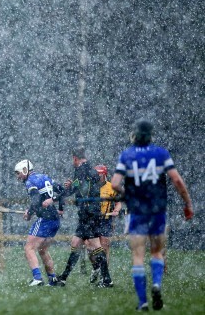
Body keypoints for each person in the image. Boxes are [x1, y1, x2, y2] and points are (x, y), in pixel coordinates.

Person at [111, 119, 194, 311]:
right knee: (156, 252)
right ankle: (156, 284)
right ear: (151, 135)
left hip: (138, 211)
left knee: (138, 255)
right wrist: (187, 203)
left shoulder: (127, 155)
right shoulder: (161, 153)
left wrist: (127, 195)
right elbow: (177, 180)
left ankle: (143, 302)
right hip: (157, 209)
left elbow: (115, 184)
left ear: (134, 135)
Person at [59, 147, 114, 288]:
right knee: (75, 243)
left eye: (72, 159)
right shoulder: (90, 170)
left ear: (75, 158)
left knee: (95, 245)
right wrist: (73, 185)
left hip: (89, 214)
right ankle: (63, 278)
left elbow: (77, 189)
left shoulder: (81, 170)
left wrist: (58, 197)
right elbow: (82, 186)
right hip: (88, 214)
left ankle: (107, 279)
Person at [14, 159, 63, 286]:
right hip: (55, 219)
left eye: (18, 173)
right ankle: (52, 279)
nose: (18, 176)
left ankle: (37, 278)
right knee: (42, 249)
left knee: (29, 248)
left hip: (45, 219)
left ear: (25, 170)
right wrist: (61, 208)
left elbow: (35, 201)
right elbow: (62, 191)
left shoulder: (30, 181)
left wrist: (29, 213)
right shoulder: (44, 177)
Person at [88, 164, 122, 284]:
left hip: (105, 219)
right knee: (91, 248)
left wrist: (116, 210)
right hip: (92, 219)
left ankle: (104, 275)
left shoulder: (111, 187)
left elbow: (118, 202)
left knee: (105, 246)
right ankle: (96, 268)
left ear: (104, 175)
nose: (96, 176)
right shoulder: (90, 186)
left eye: (99, 174)